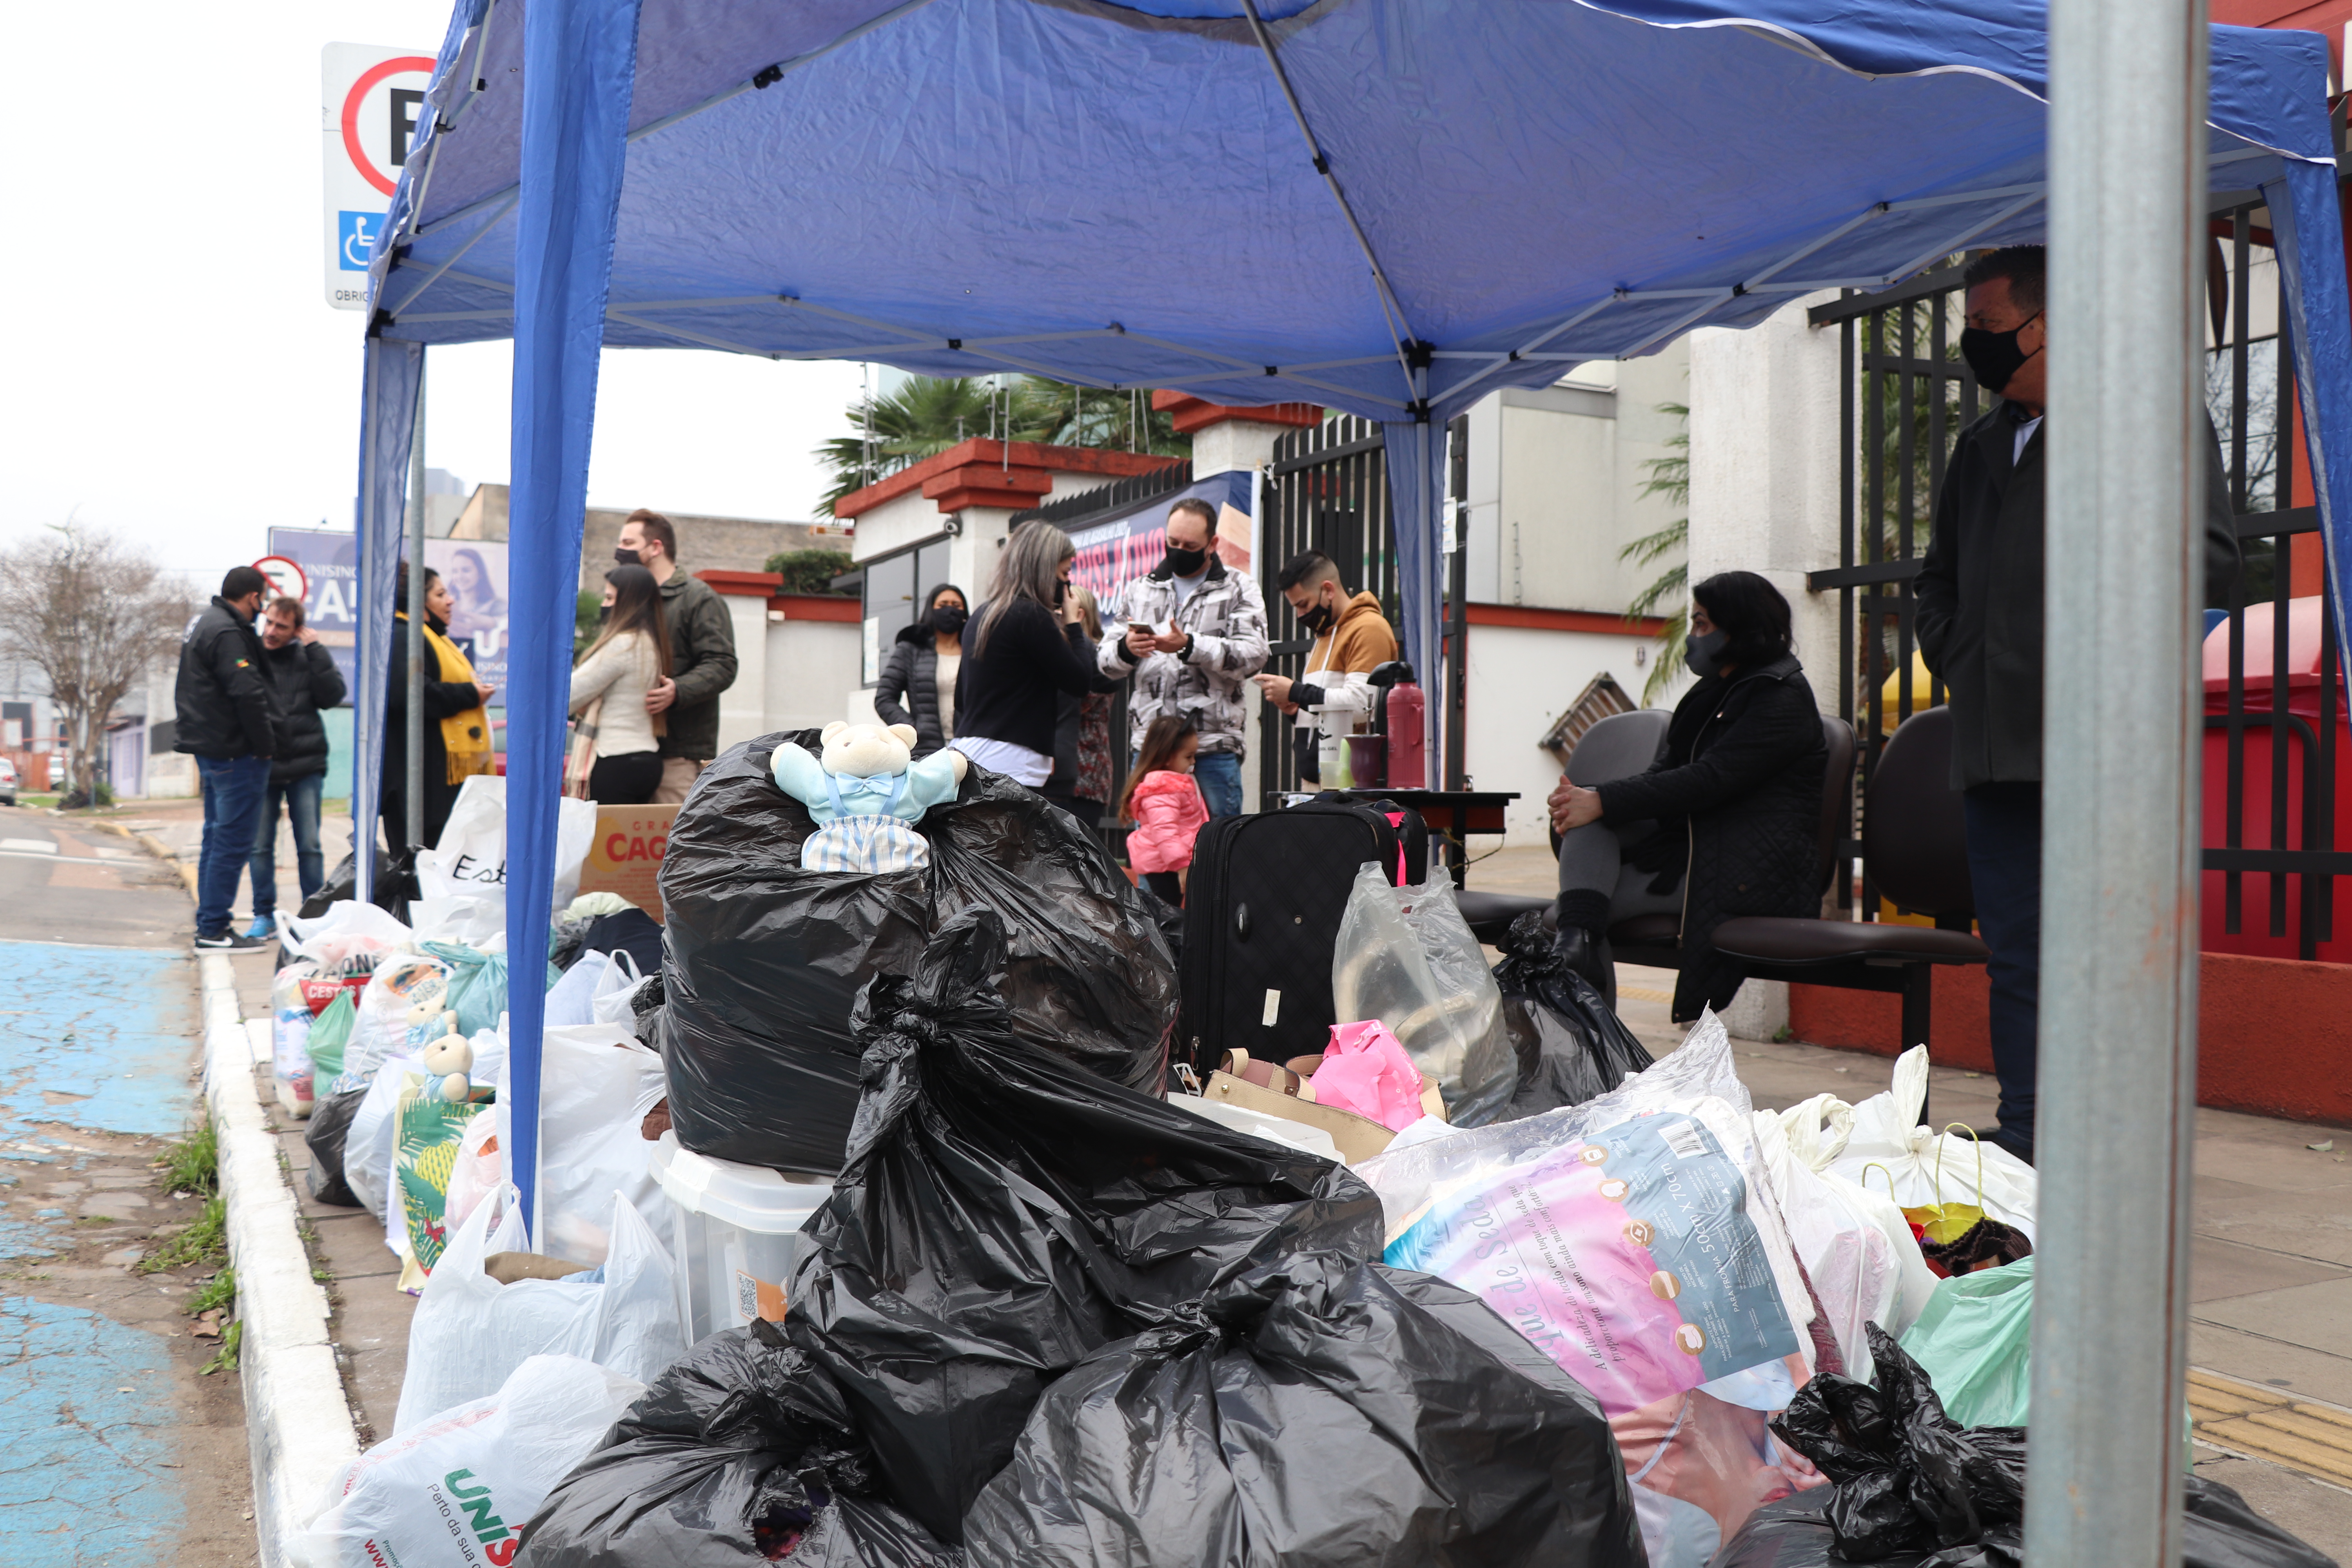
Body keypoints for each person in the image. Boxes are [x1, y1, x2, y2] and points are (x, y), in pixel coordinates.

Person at [1916, 243, 2239, 1165]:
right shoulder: (1980, 447)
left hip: (2100, 750)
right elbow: (1937, 582)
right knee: (2017, 955)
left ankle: (2121, 1150)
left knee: (2111, 958)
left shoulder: (2147, 420)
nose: (1969, 345)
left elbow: (2207, 565)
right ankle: (2027, 1140)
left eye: (1982, 327)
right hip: (1994, 747)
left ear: (2045, 323)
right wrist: (1964, 658)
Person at [1545, 571, 1828, 1024]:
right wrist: (1589, 801)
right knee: (1588, 841)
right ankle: (1588, 1002)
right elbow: (1666, 773)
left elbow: (1708, 780)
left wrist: (1602, 800)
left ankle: (1598, 1058)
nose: (1691, 639)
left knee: (1570, 916)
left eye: (1701, 625)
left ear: (1738, 628)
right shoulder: (1711, 693)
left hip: (1745, 875)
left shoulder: (1781, 699)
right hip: (1696, 856)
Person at [1096, 497, 1268, 817]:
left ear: (1212, 543)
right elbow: (1105, 663)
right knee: (1154, 855)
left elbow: (1255, 655)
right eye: (1172, 542)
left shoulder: (1238, 588)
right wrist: (1126, 649)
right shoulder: (1140, 589)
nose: (1178, 550)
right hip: (1152, 748)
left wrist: (1189, 646)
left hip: (1212, 747)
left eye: (1190, 545)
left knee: (1217, 855)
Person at [951, 521, 1105, 788]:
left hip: (969, 751)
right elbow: (1079, 681)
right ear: (1046, 570)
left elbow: (961, 700)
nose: (1068, 583)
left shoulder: (983, 614)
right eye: (1065, 573)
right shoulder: (1031, 616)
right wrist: (1072, 624)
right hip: (1012, 759)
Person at [175, 565, 281, 950]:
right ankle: (214, 928)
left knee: (216, 838)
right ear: (253, 597)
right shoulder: (228, 632)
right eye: (261, 601)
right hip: (236, 750)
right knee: (232, 842)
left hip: (211, 748)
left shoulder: (204, 622)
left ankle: (210, 922)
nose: (261, 609)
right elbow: (248, 693)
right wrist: (266, 743)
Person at [615, 509, 738, 804]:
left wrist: (678, 690)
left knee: (672, 844)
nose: (619, 552)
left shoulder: (699, 598)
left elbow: (723, 664)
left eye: (629, 544)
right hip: (625, 750)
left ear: (656, 547)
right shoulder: (626, 600)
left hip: (677, 755)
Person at [243, 595, 346, 938]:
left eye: (282, 627)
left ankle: (311, 918)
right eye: (269, 622)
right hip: (262, 766)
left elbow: (333, 696)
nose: (271, 631)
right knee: (259, 846)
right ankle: (264, 916)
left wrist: (316, 649)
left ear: (297, 630)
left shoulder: (307, 657)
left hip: (306, 765)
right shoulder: (250, 655)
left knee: (310, 846)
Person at [1251, 550, 1397, 786]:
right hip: (1325, 782)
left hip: (1355, 785)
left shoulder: (1369, 628)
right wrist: (1295, 710)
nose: (1300, 615)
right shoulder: (1324, 635)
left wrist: (1295, 692)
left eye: (1303, 604)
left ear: (1328, 590)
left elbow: (1363, 705)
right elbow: (1327, 710)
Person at [383, 561, 497, 856]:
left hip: (434, 780)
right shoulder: (404, 635)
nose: (451, 600)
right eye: (441, 594)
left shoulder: (434, 638)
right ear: (420, 602)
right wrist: (469, 694)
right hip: (420, 784)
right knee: (423, 869)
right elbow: (410, 694)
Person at [568, 565, 670, 805]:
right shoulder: (652, 643)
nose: (604, 605)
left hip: (615, 757)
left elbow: (570, 695)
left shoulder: (622, 645)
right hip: (647, 758)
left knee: (603, 841)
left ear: (628, 603)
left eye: (610, 598)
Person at [1042, 583, 1120, 828]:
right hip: (1069, 769)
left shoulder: (1099, 659)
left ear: (1079, 614)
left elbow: (1078, 698)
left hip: (1085, 772)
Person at [1118, 713, 1209, 907]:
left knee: (1169, 911)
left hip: (1169, 863)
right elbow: (1165, 832)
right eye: (1188, 756)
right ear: (1167, 756)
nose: (1193, 762)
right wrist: (1182, 865)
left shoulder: (1173, 783)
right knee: (1169, 914)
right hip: (1167, 866)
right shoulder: (1163, 789)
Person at [872, 583, 966, 757]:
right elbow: (884, 698)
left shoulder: (974, 651)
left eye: (956, 606)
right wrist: (913, 729)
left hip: (971, 747)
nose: (950, 611)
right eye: (943, 605)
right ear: (931, 610)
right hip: (927, 750)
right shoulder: (912, 649)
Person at [440, 546, 507, 642]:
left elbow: (516, 624)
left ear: (480, 573)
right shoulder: (448, 605)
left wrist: (491, 623)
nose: (460, 577)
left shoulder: (497, 605)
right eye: (455, 571)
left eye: (466, 570)